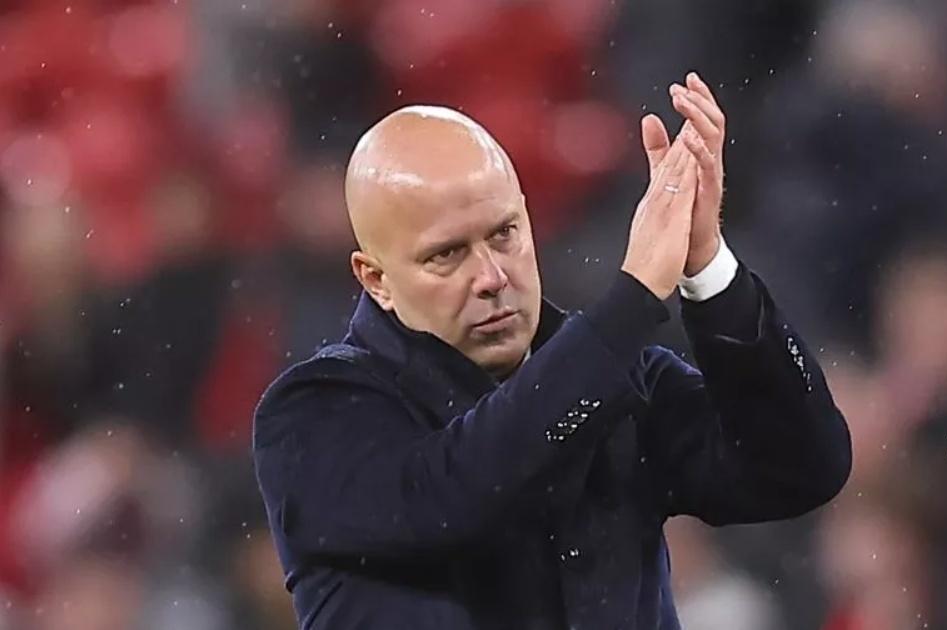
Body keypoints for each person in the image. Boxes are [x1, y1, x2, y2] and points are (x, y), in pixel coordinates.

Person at [252, 72, 852, 630]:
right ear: (376, 278)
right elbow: (453, 496)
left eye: (504, 234)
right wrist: (633, 299)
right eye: (447, 255)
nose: (491, 276)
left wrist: (707, 266)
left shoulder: (622, 381)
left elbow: (801, 468)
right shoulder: (312, 413)